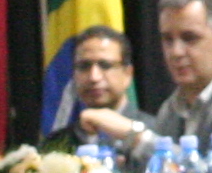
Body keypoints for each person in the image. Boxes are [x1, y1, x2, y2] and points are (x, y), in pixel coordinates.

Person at [81, 0, 212, 151]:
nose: (176, 52)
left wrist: (135, 136)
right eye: (168, 40)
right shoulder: (170, 109)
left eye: (190, 38)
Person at [43, 27, 143, 163]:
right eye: (84, 66)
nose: (94, 77)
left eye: (105, 65)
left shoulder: (154, 133)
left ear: (127, 74)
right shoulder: (56, 144)